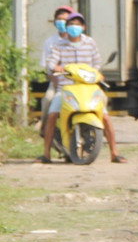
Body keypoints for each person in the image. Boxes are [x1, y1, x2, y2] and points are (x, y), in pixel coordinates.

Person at [39, 13, 125, 164]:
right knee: (52, 115)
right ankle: (46, 154)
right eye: (71, 24)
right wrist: (56, 67)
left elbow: (96, 63)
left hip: (88, 89)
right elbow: (51, 63)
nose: (74, 27)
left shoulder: (90, 43)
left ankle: (114, 153)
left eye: (78, 24)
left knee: (105, 117)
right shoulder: (58, 45)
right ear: (67, 27)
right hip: (66, 89)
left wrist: (99, 74)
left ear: (84, 27)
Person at [39, 6, 75, 118]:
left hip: (77, 82)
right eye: (59, 19)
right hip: (57, 82)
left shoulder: (80, 41)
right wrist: (56, 82)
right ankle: (44, 127)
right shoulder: (50, 42)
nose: (62, 22)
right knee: (48, 100)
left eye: (65, 20)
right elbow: (48, 68)